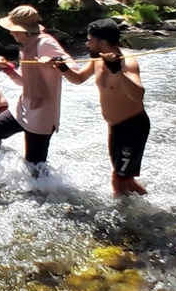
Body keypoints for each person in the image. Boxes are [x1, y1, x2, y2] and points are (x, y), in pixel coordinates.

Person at [55, 17, 149, 197]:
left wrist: (117, 71)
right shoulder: (97, 60)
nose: (87, 43)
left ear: (103, 42)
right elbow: (79, 79)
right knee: (125, 179)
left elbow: (138, 95)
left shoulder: (127, 62)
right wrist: (63, 68)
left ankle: (124, 221)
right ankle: (144, 210)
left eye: (90, 39)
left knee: (118, 180)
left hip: (133, 128)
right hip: (115, 128)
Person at [0, 5, 78, 170]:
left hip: (43, 113)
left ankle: (45, 193)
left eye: (13, 29)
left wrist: (56, 61)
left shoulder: (45, 43)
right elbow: (23, 82)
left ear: (24, 30)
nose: (10, 32)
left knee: (34, 166)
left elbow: (74, 68)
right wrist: (7, 68)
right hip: (24, 107)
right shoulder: (26, 45)